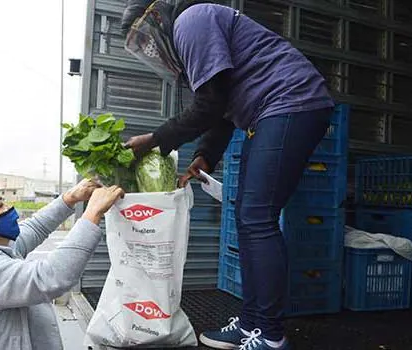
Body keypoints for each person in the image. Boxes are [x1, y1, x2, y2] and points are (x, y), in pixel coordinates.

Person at [121, 1, 336, 349]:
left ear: (157, 18)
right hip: (269, 111)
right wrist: (206, 156)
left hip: (289, 101)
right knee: (248, 216)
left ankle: (269, 334)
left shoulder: (191, 21)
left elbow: (209, 105)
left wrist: (154, 141)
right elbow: (221, 109)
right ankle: (252, 323)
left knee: (257, 216)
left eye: (145, 38)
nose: (149, 49)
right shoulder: (192, 35)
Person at [0, 179, 124, 350]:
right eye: (0, 206)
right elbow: (51, 276)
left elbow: (35, 226)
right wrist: (92, 214)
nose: (10, 210)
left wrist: (70, 198)